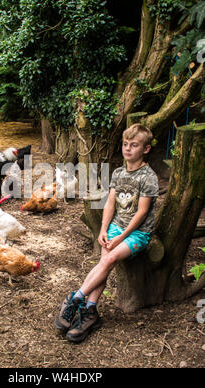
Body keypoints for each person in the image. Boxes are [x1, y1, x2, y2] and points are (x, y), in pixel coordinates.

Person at [54, 123, 159, 343]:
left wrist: (122, 236)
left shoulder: (148, 177)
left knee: (109, 258)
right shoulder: (119, 173)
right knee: (105, 263)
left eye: (134, 145)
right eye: (125, 144)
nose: (128, 149)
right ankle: (90, 311)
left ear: (146, 149)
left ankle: (76, 298)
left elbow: (141, 212)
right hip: (115, 227)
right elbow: (110, 203)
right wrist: (103, 229)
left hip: (138, 233)